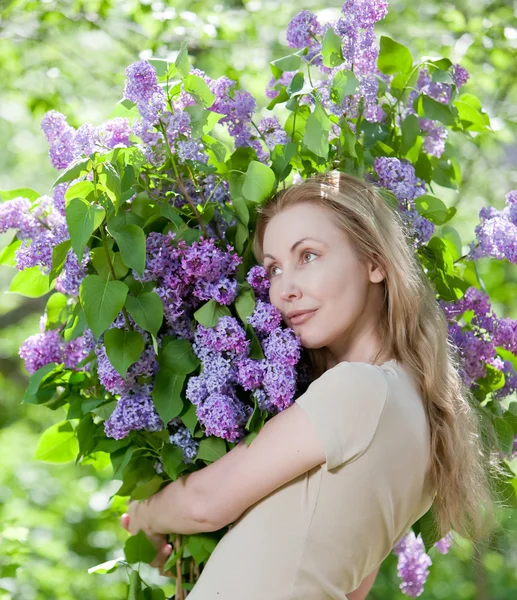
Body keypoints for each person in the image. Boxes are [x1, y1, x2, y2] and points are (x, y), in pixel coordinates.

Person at [124, 170, 496, 599]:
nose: (284, 290)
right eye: (274, 269)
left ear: (375, 262)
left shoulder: (359, 389)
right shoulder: (421, 415)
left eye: (308, 256)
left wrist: (144, 515)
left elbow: (206, 502)